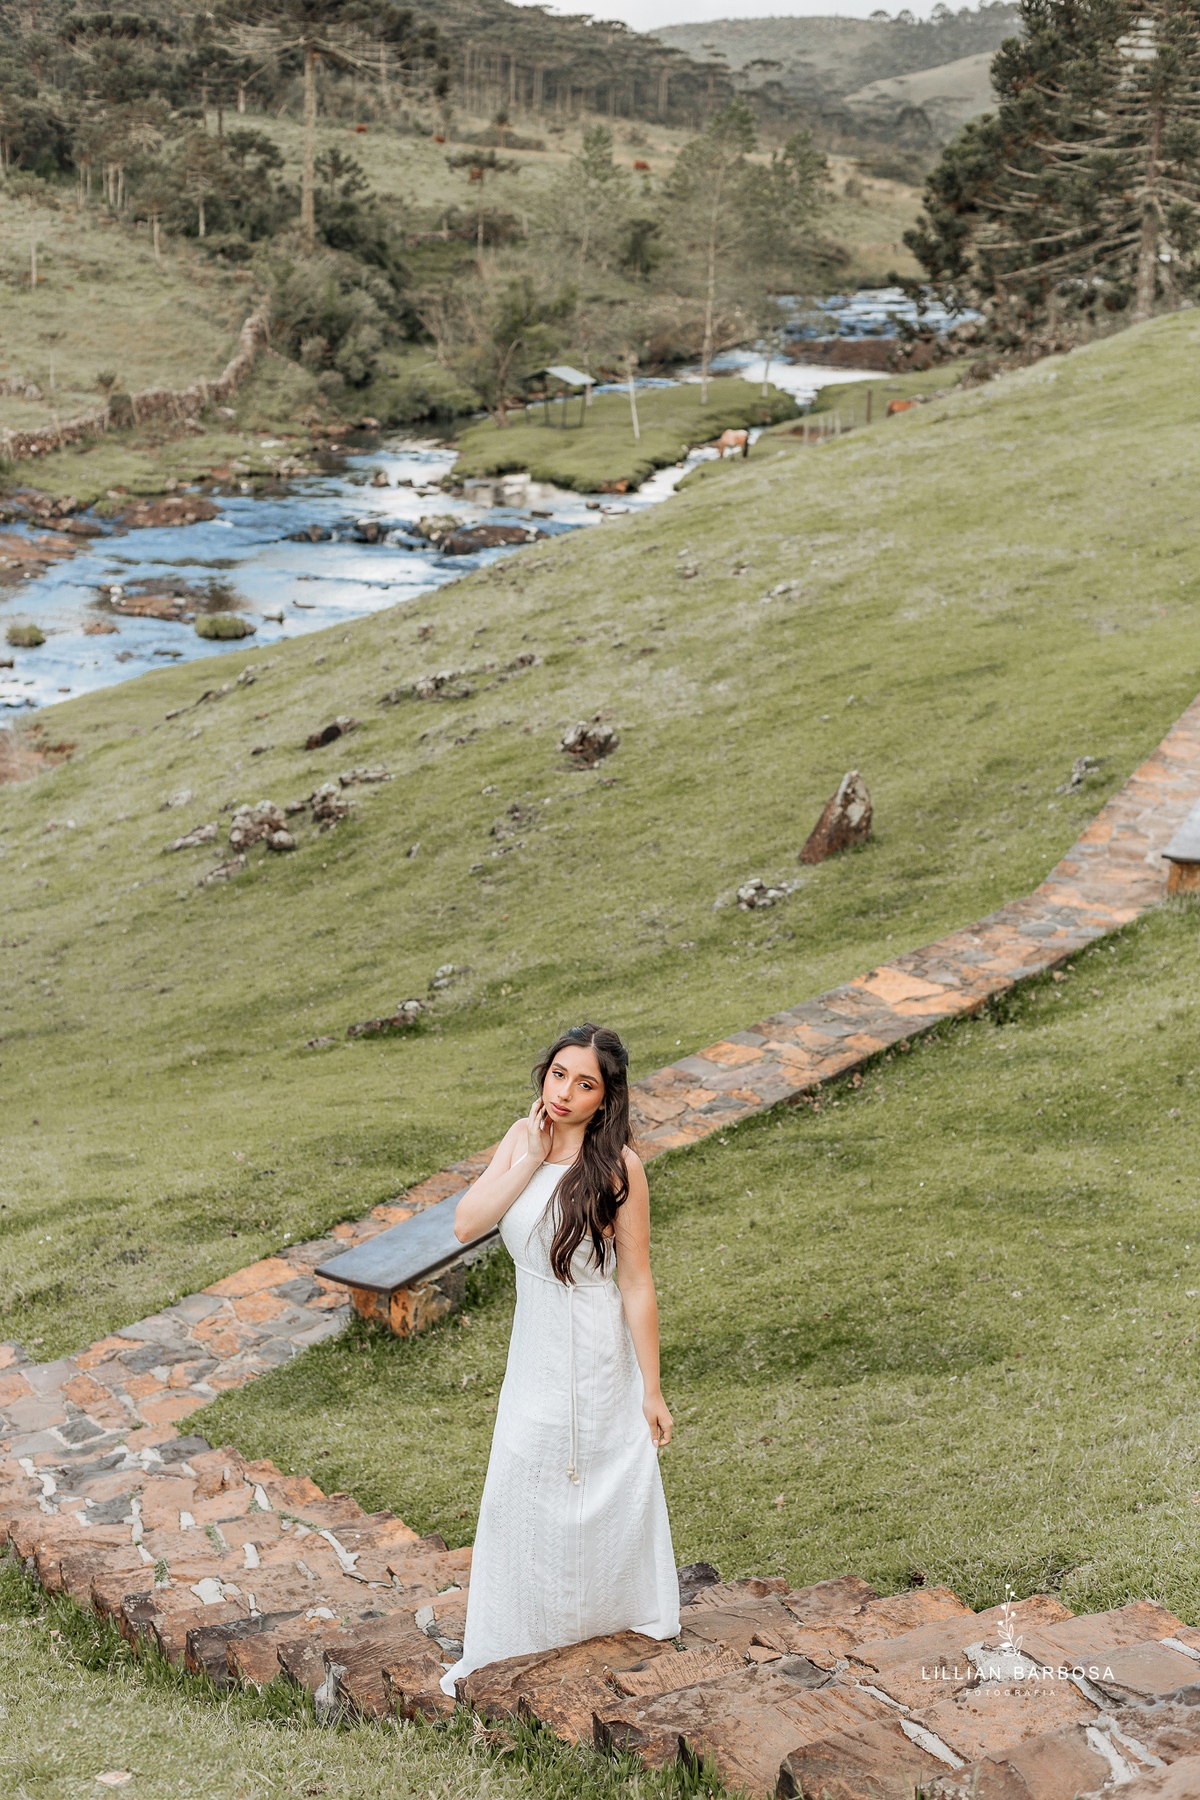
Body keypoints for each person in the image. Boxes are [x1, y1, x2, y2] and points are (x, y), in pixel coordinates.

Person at [438, 1022, 679, 1696]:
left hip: (598, 1349)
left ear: (606, 1098)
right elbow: (465, 1223)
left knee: (603, 1484)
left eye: (586, 1083)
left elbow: (636, 1281)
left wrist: (652, 1389)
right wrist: (530, 1157)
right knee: (525, 1475)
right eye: (559, 1075)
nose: (567, 1092)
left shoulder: (619, 1169)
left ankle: (613, 1618)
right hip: (534, 1349)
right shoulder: (522, 1139)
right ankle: (522, 1633)